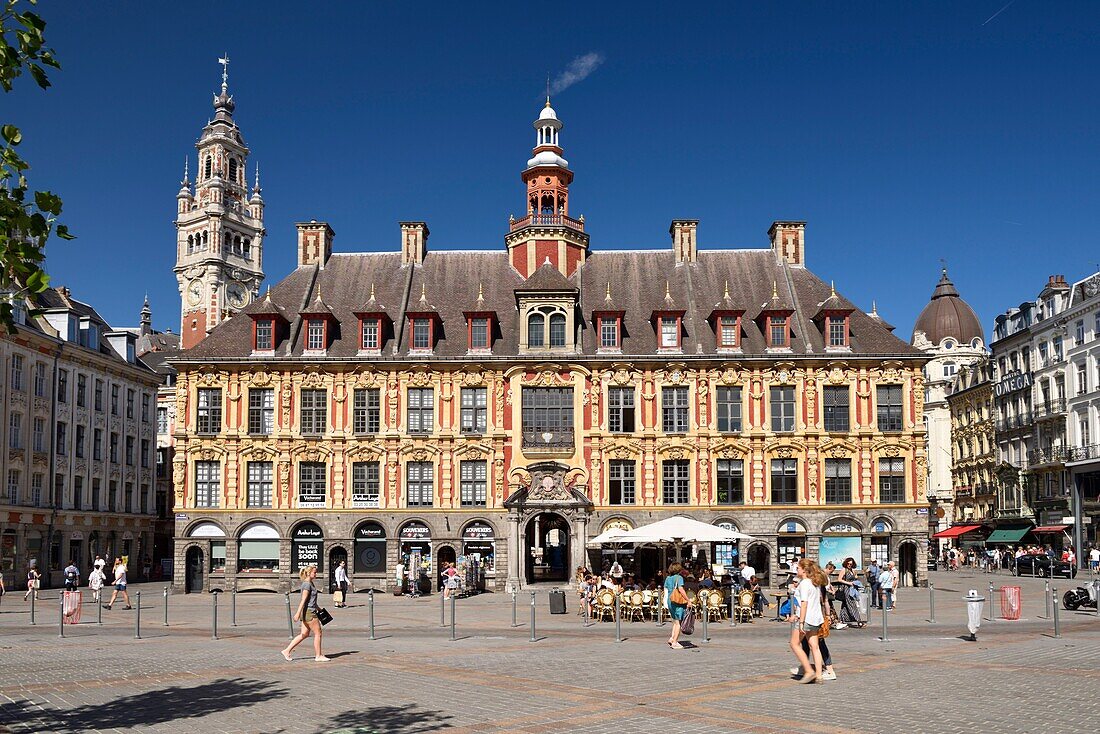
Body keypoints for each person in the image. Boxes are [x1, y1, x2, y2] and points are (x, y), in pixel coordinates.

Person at [789, 558, 829, 684]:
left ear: (804, 570)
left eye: (798, 568)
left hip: (806, 618)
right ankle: (819, 676)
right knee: (814, 647)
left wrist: (800, 621)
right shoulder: (814, 583)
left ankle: (808, 670)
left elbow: (804, 603)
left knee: (794, 644)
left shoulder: (805, 583)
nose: (797, 570)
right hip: (816, 619)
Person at [281, 565, 329, 662]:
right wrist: (297, 613)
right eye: (314, 572)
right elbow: (303, 600)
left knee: (304, 634)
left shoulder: (309, 583)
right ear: (308, 573)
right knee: (318, 633)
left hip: (309, 610)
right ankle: (318, 655)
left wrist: (320, 610)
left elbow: (311, 601)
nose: (316, 574)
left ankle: (286, 650)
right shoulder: (307, 584)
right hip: (309, 612)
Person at [663, 562, 690, 649]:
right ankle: (675, 641)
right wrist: (688, 600)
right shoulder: (679, 578)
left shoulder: (668, 578)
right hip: (677, 601)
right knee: (678, 622)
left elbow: (665, 590)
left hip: (670, 600)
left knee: (675, 621)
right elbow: (681, 589)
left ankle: (672, 638)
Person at [835, 557, 864, 628]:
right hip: (846, 589)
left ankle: (842, 620)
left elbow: (855, 578)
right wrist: (848, 583)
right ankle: (859, 621)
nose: (849, 565)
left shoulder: (853, 570)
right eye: (848, 563)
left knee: (845, 605)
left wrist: (855, 579)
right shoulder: (844, 570)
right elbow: (839, 579)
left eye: (851, 564)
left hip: (852, 589)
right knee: (852, 604)